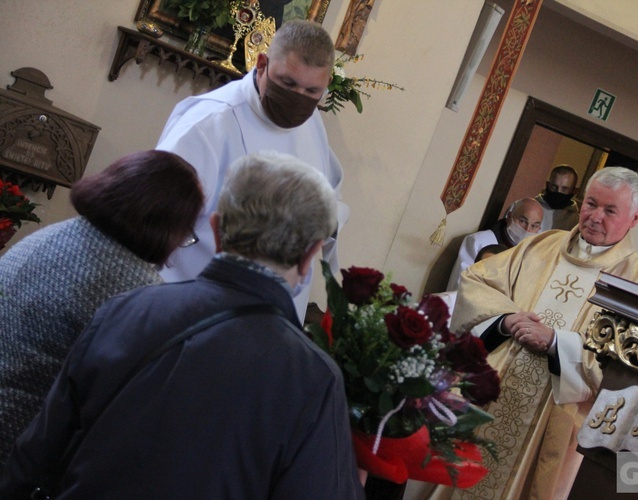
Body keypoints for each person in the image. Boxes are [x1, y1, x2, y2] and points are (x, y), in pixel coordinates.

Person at [0, 152, 365, 499]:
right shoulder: (313, 379)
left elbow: (34, 457)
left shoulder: (127, 309)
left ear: (217, 231)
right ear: (310, 256)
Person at [430, 167, 638, 500]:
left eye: (609, 210)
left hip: (558, 417)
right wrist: (506, 319)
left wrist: (557, 343)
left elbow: (632, 366)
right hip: (495, 391)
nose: (594, 216)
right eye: (590, 204)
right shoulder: (542, 245)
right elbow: (476, 280)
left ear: (635, 218)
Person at [0, 150, 203, 469]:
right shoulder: (135, 289)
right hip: (19, 448)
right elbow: (144, 406)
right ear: (166, 225)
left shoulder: (56, 233)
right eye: (185, 232)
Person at [156, 19, 348, 324]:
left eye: (312, 90)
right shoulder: (208, 124)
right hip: (198, 310)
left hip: (276, 316)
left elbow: (329, 195)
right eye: (287, 84)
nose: (299, 97)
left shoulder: (311, 123)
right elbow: (155, 217)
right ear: (262, 65)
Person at [445, 197, 543, 291]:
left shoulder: (535, 258)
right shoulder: (479, 241)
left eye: (534, 226)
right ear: (509, 217)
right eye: (522, 221)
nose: (527, 230)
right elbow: (462, 285)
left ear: (539, 229)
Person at [536, 164, 580, 231]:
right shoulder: (531, 207)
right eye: (554, 187)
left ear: (574, 191)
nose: (558, 191)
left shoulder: (575, 221)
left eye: (564, 189)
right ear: (547, 185)